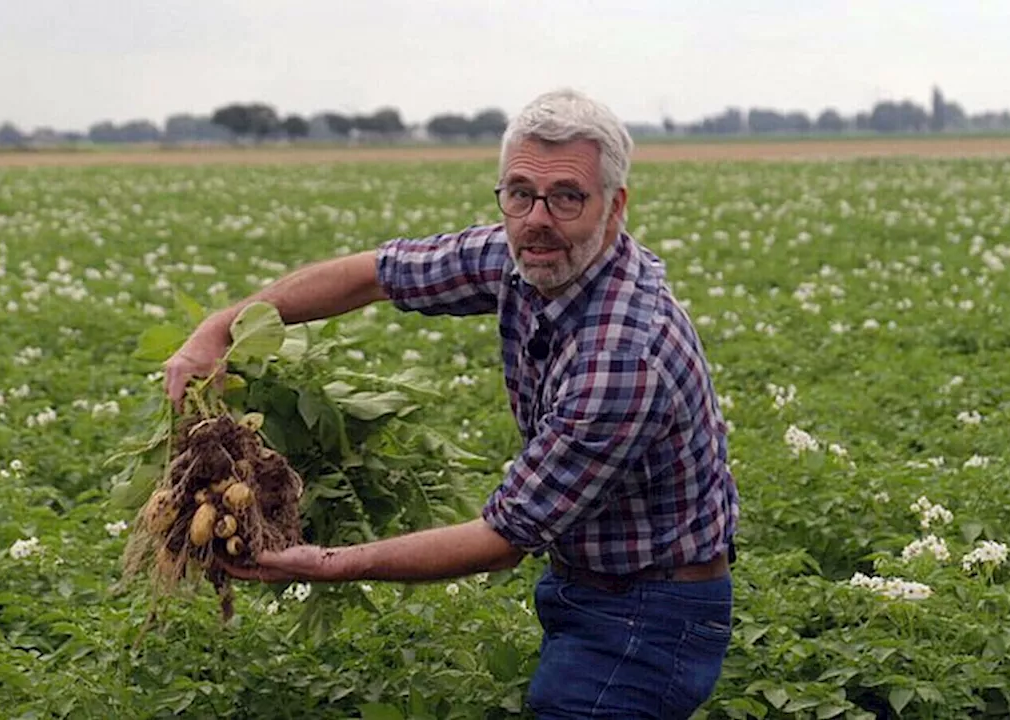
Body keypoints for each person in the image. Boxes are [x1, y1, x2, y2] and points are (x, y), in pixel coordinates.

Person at [163, 88, 740, 719]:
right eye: (519, 193)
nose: (537, 217)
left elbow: (504, 536)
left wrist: (324, 563)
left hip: (650, 614)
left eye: (567, 196)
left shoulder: (624, 358)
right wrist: (223, 327)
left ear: (615, 205)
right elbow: (375, 273)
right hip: (586, 581)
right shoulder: (523, 254)